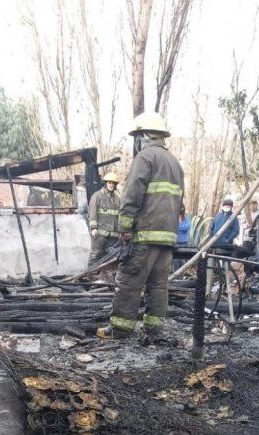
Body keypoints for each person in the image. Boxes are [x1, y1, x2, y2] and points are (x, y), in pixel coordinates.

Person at [97, 112, 184, 340]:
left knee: (128, 281)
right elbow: (178, 203)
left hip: (144, 235)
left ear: (143, 136)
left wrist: (125, 230)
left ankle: (120, 329)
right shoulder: (174, 163)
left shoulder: (145, 158)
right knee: (158, 286)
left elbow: (132, 195)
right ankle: (152, 332)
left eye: (137, 137)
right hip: (167, 239)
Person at [87, 172, 121, 266]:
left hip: (113, 235)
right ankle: (90, 276)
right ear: (105, 183)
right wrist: (93, 228)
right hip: (100, 234)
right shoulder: (97, 196)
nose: (111, 185)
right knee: (95, 256)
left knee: (111, 257)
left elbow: (121, 215)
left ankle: (106, 278)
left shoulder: (118, 199)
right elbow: (92, 212)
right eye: (109, 183)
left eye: (113, 183)